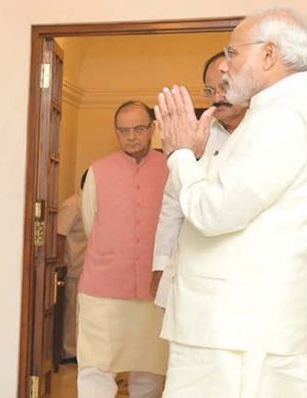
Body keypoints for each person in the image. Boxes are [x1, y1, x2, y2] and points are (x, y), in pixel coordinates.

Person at [154, 8, 307, 397]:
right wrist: (199, 157)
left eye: (233, 54)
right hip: (234, 327)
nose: (225, 69)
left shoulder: (284, 118)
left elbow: (212, 212)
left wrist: (181, 154)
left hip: (233, 328)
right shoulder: (276, 115)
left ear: (269, 54)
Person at [77, 101, 168, 398]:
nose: (132, 136)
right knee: (96, 369)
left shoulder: (171, 168)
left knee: (149, 370)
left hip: (153, 290)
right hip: (102, 289)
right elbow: (92, 223)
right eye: (124, 131)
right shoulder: (98, 171)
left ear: (152, 129)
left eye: (139, 128)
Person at [152, 52, 248, 307]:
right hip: (186, 276)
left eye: (225, 87)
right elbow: (173, 203)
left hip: (240, 281)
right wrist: (160, 266)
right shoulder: (195, 133)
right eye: (209, 90)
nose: (217, 97)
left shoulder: (262, 132)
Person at [56, 169, 88, 361]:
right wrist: (60, 266)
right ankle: (69, 352)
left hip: (87, 270)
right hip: (72, 269)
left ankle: (78, 351)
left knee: (81, 315)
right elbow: (60, 234)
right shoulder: (73, 205)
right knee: (71, 315)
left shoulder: (90, 204)